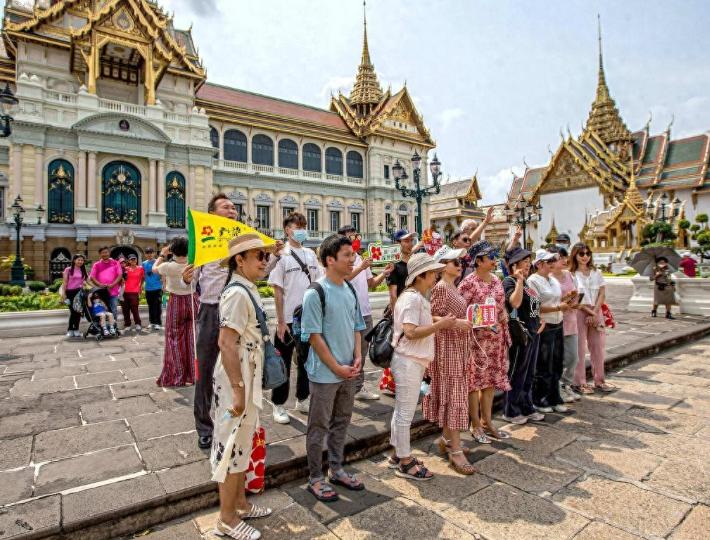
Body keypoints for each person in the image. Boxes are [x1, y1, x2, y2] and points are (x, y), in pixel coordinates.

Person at [210, 234, 275, 540]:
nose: (266, 261)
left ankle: (239, 504)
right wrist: (238, 388)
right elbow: (225, 342)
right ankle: (226, 519)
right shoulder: (236, 294)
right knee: (231, 445)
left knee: (243, 444)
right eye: (259, 256)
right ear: (240, 259)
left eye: (267, 256)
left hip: (248, 374)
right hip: (237, 378)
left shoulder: (246, 289)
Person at [301, 234, 366, 501]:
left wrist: (358, 357)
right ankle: (315, 476)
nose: (353, 260)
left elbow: (357, 326)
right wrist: (337, 367)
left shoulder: (349, 289)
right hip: (326, 373)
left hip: (349, 369)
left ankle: (336, 468)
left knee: (342, 421)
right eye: (347, 256)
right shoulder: (315, 293)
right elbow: (313, 336)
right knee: (319, 426)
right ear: (330, 260)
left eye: (353, 255)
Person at [390, 252, 455, 481]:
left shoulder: (416, 296)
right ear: (421, 275)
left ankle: (398, 454)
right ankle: (405, 460)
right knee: (405, 413)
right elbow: (410, 331)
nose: (435, 276)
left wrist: (441, 322)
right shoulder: (412, 298)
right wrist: (442, 325)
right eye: (433, 273)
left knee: (402, 410)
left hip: (412, 359)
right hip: (409, 360)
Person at [182, 193, 238, 449]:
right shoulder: (204, 244)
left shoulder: (241, 240)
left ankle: (233, 419)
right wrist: (186, 277)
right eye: (226, 207)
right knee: (205, 371)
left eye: (234, 207)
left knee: (237, 370)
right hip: (210, 310)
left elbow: (257, 272)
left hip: (236, 311)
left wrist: (274, 256)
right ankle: (204, 425)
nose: (232, 210)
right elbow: (192, 281)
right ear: (213, 215)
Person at [424, 246, 477, 475]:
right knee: (454, 395)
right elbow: (431, 316)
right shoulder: (441, 288)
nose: (459, 265)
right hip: (446, 348)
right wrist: (456, 323)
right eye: (455, 262)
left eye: (460, 262)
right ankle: (455, 449)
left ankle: (447, 439)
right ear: (443, 265)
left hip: (456, 346)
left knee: (455, 394)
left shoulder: (451, 287)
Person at [268, 211, 322, 424]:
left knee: (306, 361)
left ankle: (303, 398)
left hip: (308, 318)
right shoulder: (282, 254)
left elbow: (318, 285)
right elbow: (278, 290)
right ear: (287, 230)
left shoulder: (310, 254)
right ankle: (278, 404)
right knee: (282, 363)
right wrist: (281, 321)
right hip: (288, 320)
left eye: (302, 226)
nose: (300, 230)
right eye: (296, 226)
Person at [459, 241, 512, 442]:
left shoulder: (497, 280)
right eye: (490, 258)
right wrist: (483, 319)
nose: (494, 261)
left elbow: (500, 305)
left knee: (489, 382)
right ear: (478, 261)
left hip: (495, 339)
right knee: (474, 383)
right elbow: (461, 312)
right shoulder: (468, 283)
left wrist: (503, 314)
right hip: (477, 341)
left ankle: (487, 421)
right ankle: (475, 424)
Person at [339, 224, 393, 401]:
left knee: (361, 352)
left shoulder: (361, 258)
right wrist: (360, 267)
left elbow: (371, 284)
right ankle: (344, 388)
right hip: (347, 313)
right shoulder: (342, 259)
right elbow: (342, 279)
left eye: (356, 236)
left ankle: (358, 387)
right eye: (350, 236)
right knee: (346, 352)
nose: (355, 239)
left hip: (365, 312)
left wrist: (384, 274)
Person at [501, 247, 545, 425]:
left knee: (529, 373)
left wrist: (539, 319)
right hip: (520, 334)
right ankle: (510, 410)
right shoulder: (509, 282)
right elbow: (515, 303)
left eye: (528, 262)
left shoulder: (526, 283)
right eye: (523, 262)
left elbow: (532, 306)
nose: (527, 265)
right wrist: (519, 280)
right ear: (514, 265)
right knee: (517, 372)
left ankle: (527, 405)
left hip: (533, 332)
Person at [527, 249, 570, 414]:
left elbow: (556, 299)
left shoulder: (552, 279)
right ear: (539, 264)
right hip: (545, 325)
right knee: (544, 365)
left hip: (558, 322)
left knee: (557, 363)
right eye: (549, 261)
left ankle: (554, 397)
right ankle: (540, 399)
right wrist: (558, 307)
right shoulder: (533, 281)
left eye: (553, 260)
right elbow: (535, 307)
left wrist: (567, 301)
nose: (552, 263)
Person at [570, 243, 614, 393]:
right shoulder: (572, 274)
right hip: (580, 311)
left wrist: (595, 312)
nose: (585, 257)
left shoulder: (596, 272)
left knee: (598, 346)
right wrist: (589, 312)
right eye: (581, 254)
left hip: (596, 310)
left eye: (587, 253)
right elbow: (575, 298)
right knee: (580, 348)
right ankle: (579, 382)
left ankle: (600, 380)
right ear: (575, 255)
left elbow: (602, 293)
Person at [155, 238, 199, 387]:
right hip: (193, 301)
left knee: (174, 338)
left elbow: (154, 269)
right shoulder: (194, 264)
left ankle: (178, 375)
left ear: (173, 251)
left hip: (176, 302)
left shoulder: (168, 266)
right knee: (193, 337)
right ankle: (194, 374)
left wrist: (162, 254)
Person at [548, 246, 581, 403]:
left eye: (564, 257)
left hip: (571, 318)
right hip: (556, 320)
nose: (563, 260)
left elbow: (576, 292)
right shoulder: (547, 277)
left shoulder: (569, 275)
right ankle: (557, 387)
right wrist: (562, 302)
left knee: (573, 357)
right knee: (557, 358)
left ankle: (566, 383)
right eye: (559, 257)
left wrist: (575, 300)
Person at [88, 247, 123, 324]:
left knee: (113, 309)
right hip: (101, 293)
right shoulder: (96, 265)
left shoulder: (115, 263)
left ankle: (114, 327)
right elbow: (92, 277)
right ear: (100, 254)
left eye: (106, 252)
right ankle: (103, 328)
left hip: (113, 291)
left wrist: (113, 284)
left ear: (109, 253)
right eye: (103, 253)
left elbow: (120, 275)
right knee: (102, 310)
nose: (105, 254)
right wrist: (100, 285)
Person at [62, 254, 87, 337]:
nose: (80, 262)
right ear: (74, 260)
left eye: (82, 260)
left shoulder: (83, 270)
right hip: (70, 293)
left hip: (79, 293)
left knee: (78, 312)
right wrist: (64, 294)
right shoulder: (68, 270)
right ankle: (70, 330)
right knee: (73, 312)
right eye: (78, 260)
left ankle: (76, 329)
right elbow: (65, 282)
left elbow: (86, 281)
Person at [142, 247, 164, 330]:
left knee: (157, 306)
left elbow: (163, 274)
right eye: (147, 253)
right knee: (150, 306)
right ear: (145, 254)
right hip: (148, 288)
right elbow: (143, 275)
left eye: (151, 252)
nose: (149, 254)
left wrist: (164, 285)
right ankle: (152, 322)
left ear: (154, 253)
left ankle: (158, 323)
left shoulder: (157, 262)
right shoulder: (144, 263)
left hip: (157, 287)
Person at [122, 254, 144, 332]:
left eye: (134, 259)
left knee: (135, 309)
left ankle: (138, 323)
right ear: (128, 261)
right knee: (125, 309)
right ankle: (127, 324)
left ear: (137, 260)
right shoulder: (125, 269)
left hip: (134, 291)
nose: (133, 261)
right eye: (131, 259)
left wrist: (140, 286)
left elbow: (143, 278)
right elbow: (121, 278)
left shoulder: (140, 268)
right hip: (125, 292)